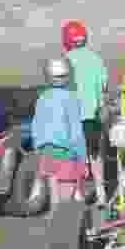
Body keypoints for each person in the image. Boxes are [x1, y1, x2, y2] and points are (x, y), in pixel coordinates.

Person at [62, 20, 111, 205]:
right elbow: (104, 88)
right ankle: (101, 193)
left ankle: (79, 192)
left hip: (74, 116)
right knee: (96, 154)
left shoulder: (65, 61)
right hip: (94, 115)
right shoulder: (96, 59)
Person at [33, 57, 89, 213]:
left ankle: (53, 229)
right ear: (68, 75)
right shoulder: (72, 98)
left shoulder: (42, 98)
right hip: (65, 153)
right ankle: (61, 233)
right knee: (66, 201)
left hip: (46, 153)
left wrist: (39, 149)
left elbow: (36, 127)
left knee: (54, 200)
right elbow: (76, 132)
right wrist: (83, 160)